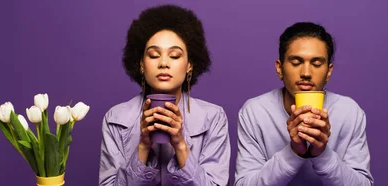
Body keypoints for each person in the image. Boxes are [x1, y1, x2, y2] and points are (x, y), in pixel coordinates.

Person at [99, 4, 230, 185]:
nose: (163, 63)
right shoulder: (115, 118)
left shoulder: (213, 118)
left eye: (174, 56)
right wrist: (143, 146)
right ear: (141, 65)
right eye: (153, 55)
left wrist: (180, 145)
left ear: (190, 65)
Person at [234, 22, 374, 186]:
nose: (306, 73)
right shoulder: (254, 112)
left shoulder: (350, 112)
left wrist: (322, 154)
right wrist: (293, 152)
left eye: (316, 64)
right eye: (296, 62)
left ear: (328, 71)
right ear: (280, 68)